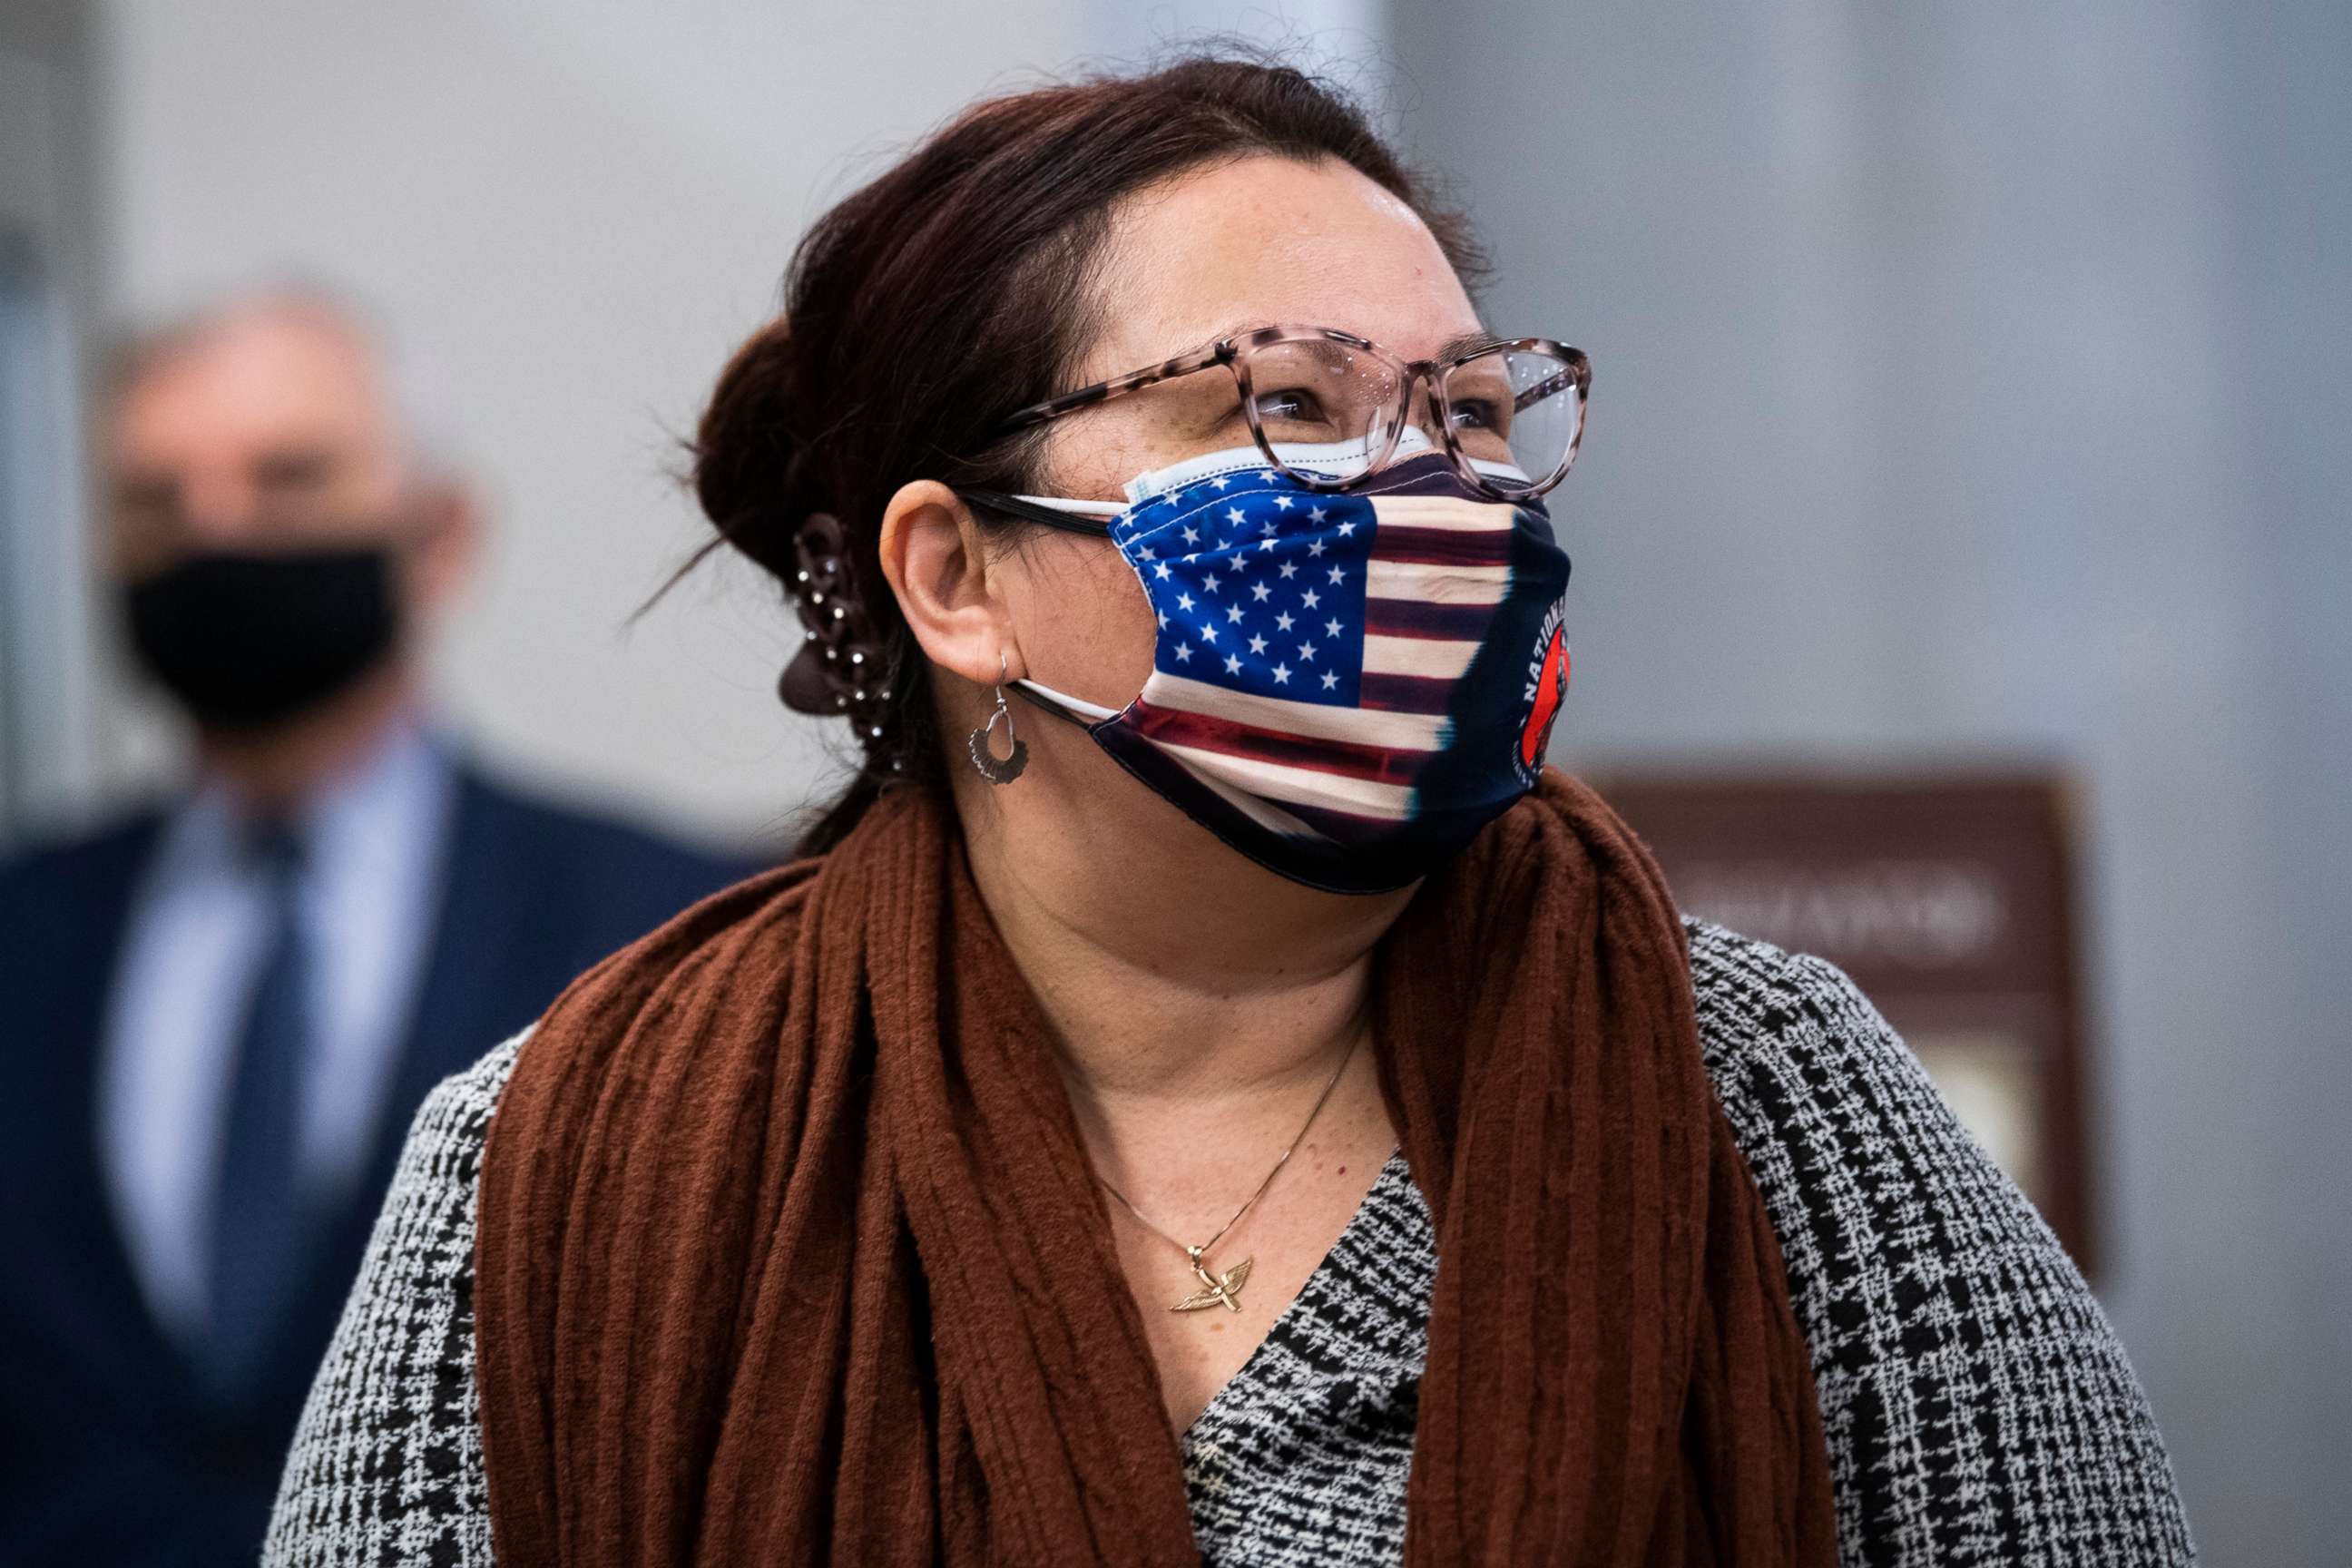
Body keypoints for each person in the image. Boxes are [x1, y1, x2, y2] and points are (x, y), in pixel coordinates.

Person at [265, 59, 2194, 1567]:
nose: (1424, 491)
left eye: (1466, 414)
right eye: (1281, 404)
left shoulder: (1763, 1103)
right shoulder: (580, 1158)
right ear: (961, 582)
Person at [0, 289, 760, 1565]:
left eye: (287, 480)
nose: (215, 534)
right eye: (155, 502)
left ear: (440, 534)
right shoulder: (23, 934)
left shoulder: (666, 929)